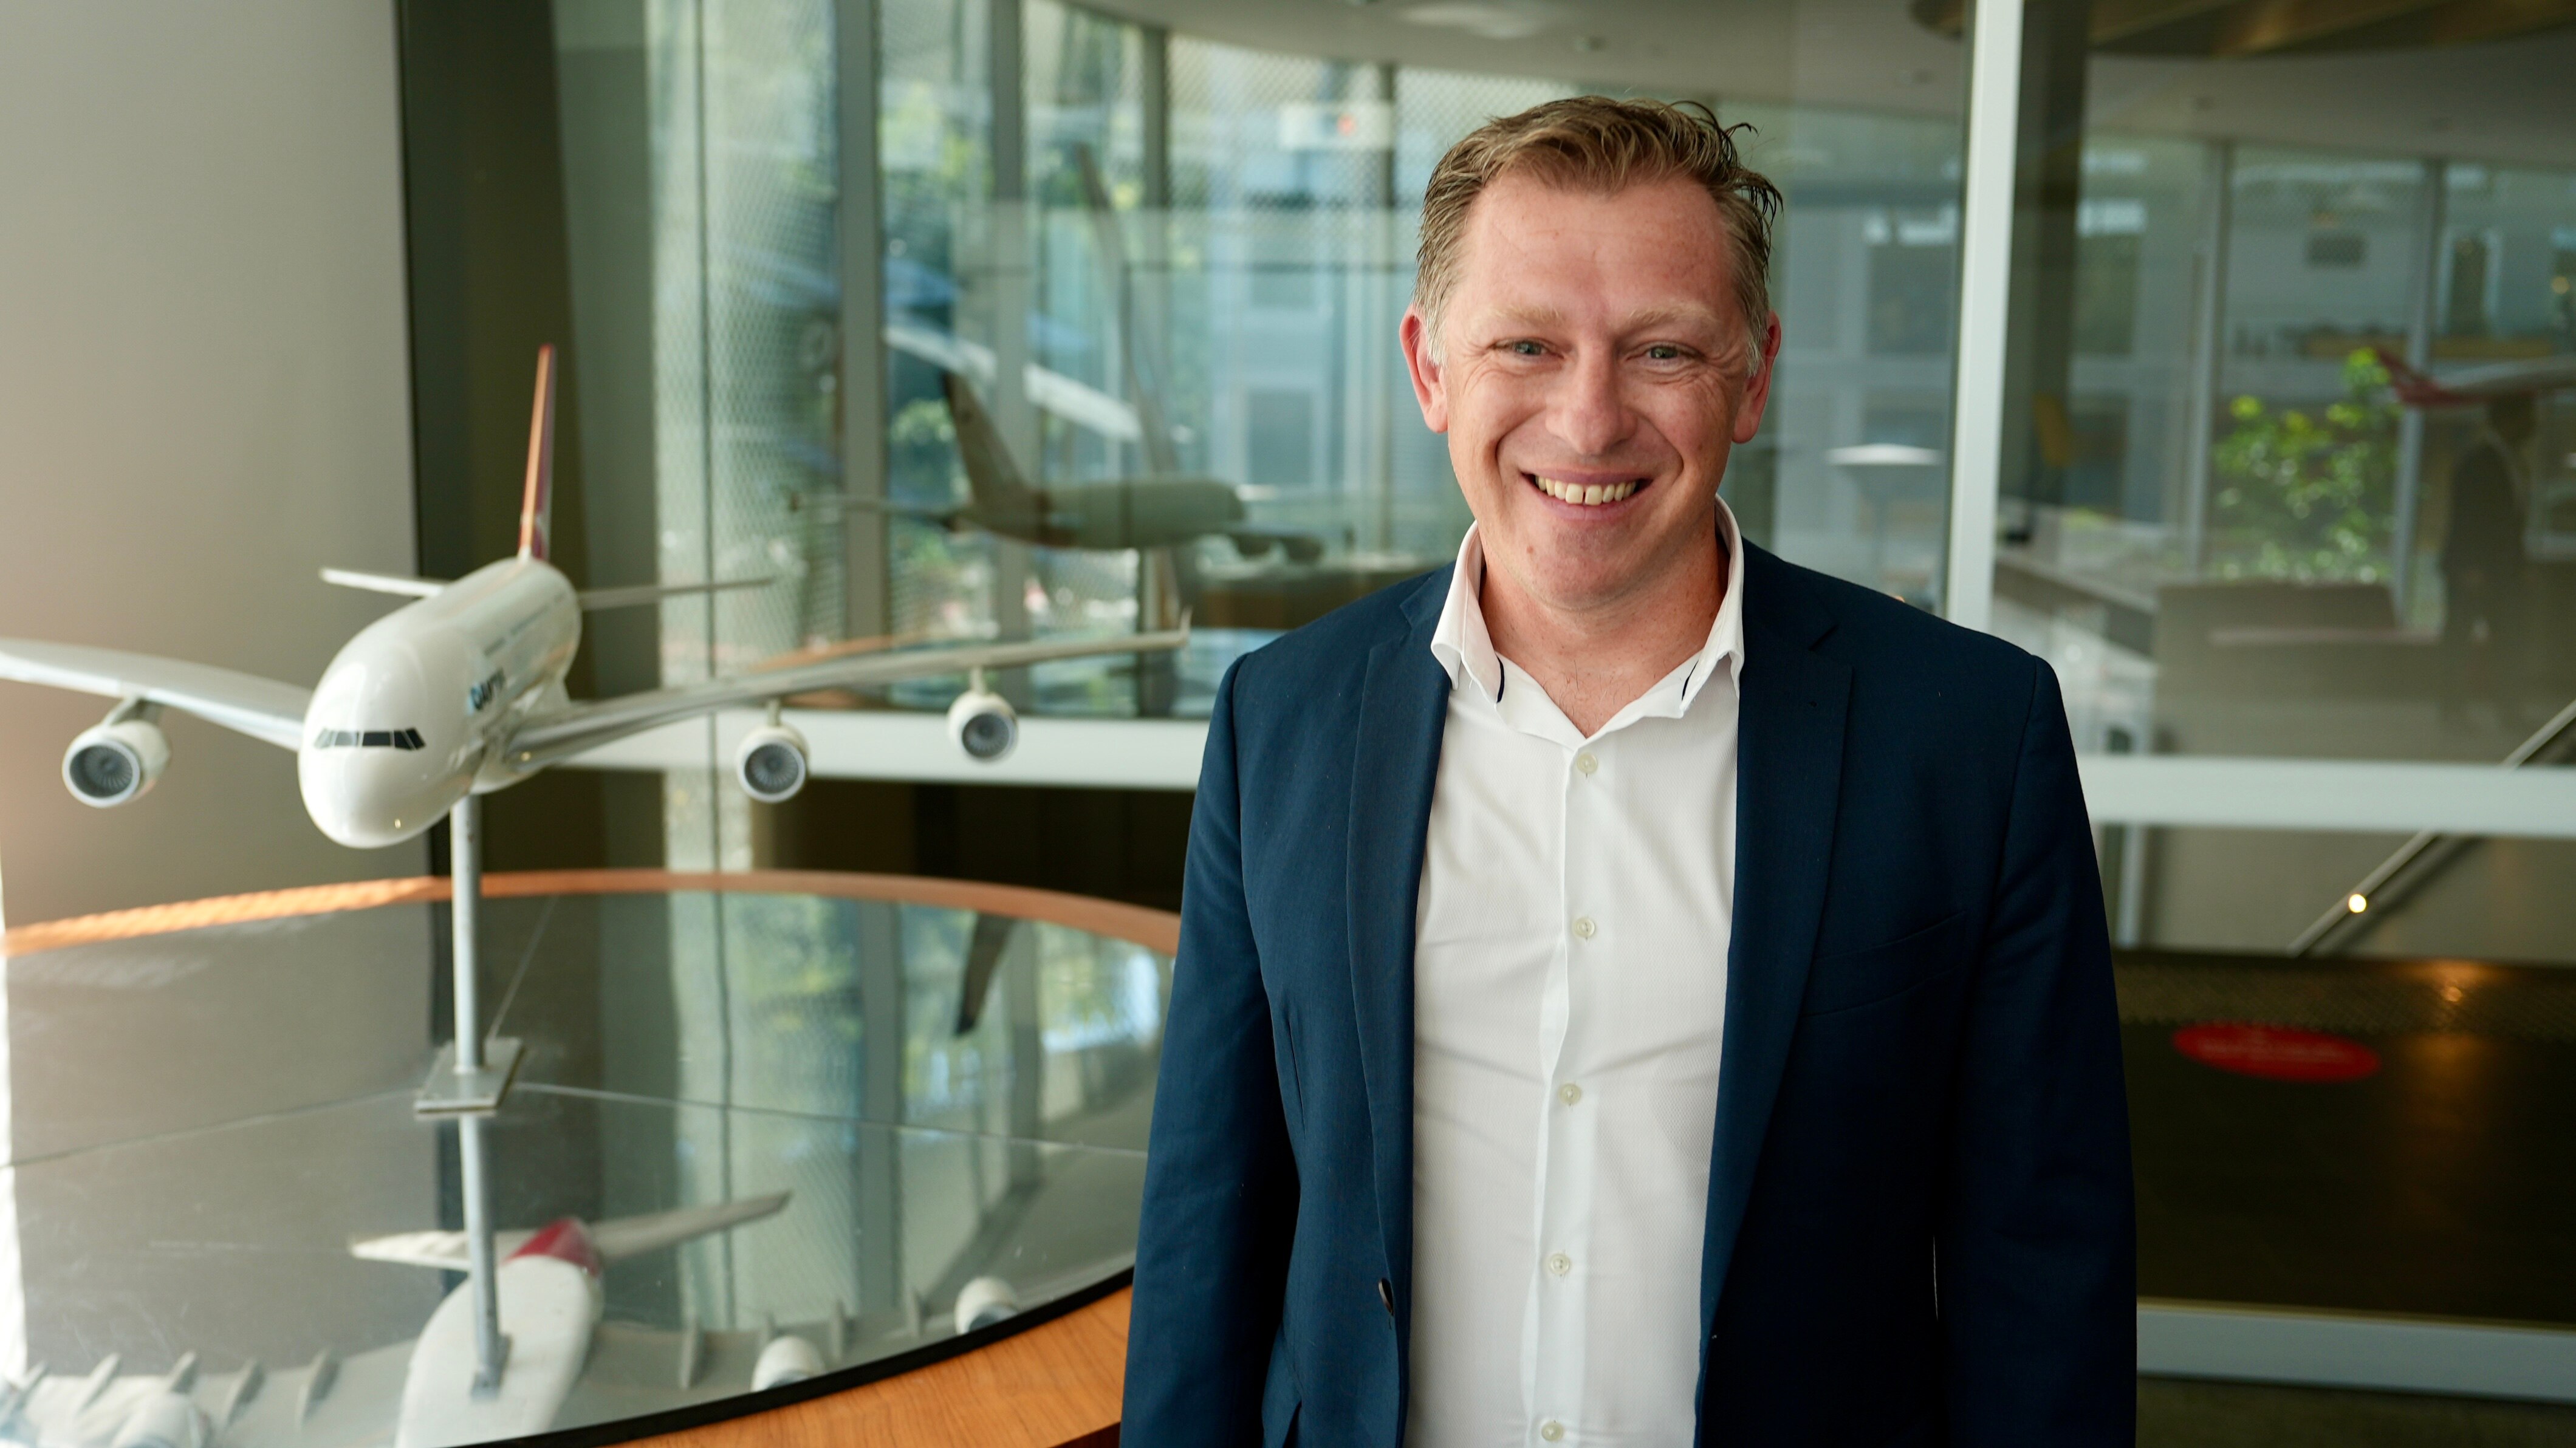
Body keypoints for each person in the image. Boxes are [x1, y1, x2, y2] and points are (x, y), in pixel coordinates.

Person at [1125, 97, 2132, 1445]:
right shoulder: (1282, 719)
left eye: (1661, 349)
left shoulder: (1965, 736)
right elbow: (1208, 1218)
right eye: (1525, 344)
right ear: (1431, 370)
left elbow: (2041, 1259)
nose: (1587, 418)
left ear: (1753, 377)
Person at [2441, 392, 2536, 711]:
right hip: (2474, 569)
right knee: (2460, 638)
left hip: (2502, 570)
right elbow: (2469, 519)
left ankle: (2509, 709)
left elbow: (2510, 523)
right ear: (2509, 420)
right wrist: (2471, 568)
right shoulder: (2478, 461)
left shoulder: (2512, 461)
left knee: (2509, 639)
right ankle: (2453, 710)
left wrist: (2519, 565)